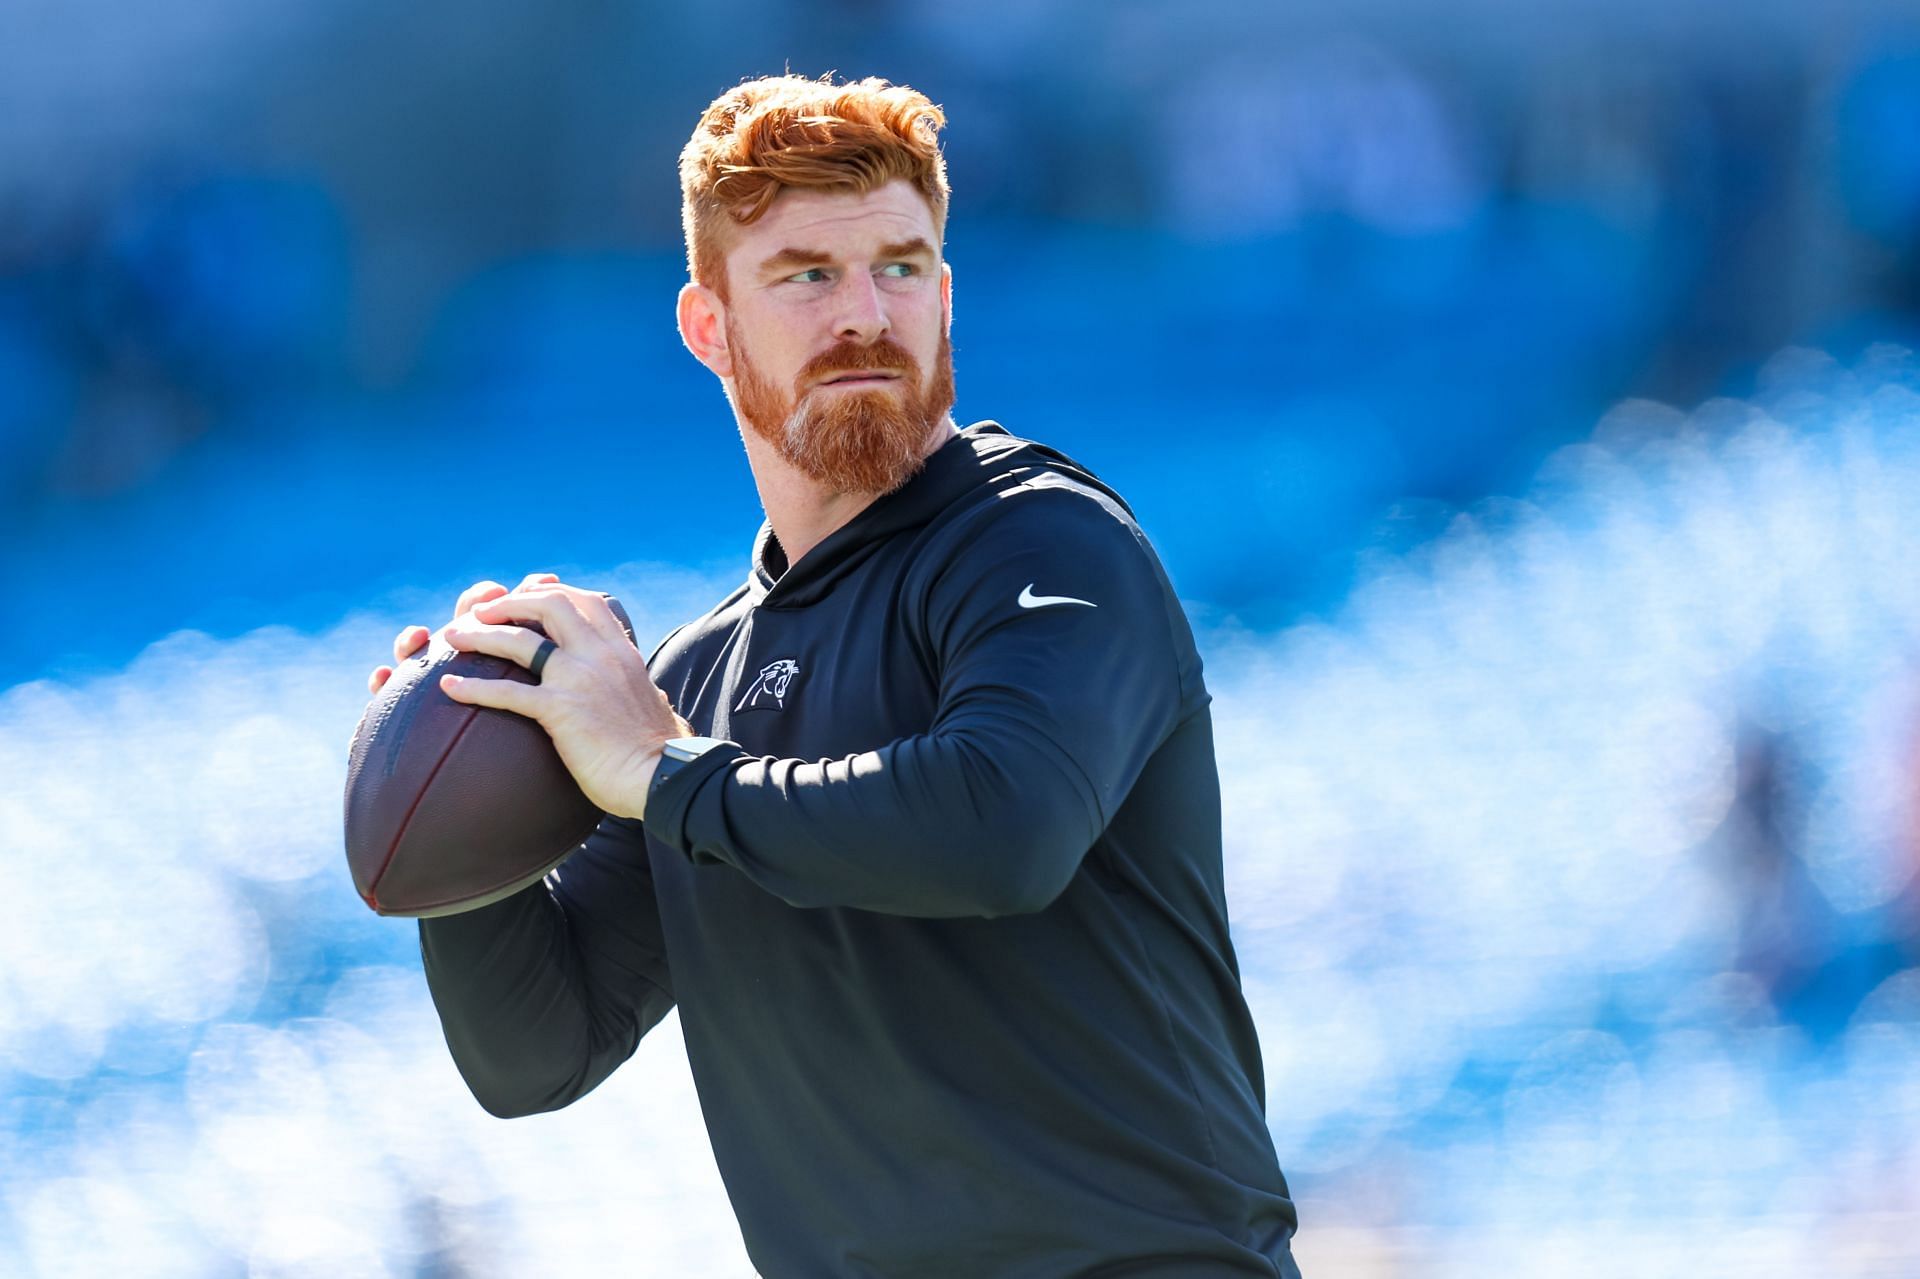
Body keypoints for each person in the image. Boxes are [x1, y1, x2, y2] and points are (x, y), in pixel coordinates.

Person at [367, 73, 1301, 1278]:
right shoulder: (696, 681)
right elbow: (536, 1054)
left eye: (900, 268)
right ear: (711, 327)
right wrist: (465, 761)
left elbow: (1002, 827)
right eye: (807, 275)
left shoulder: (1046, 540)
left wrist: (660, 772)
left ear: (946, 295)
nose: (866, 313)